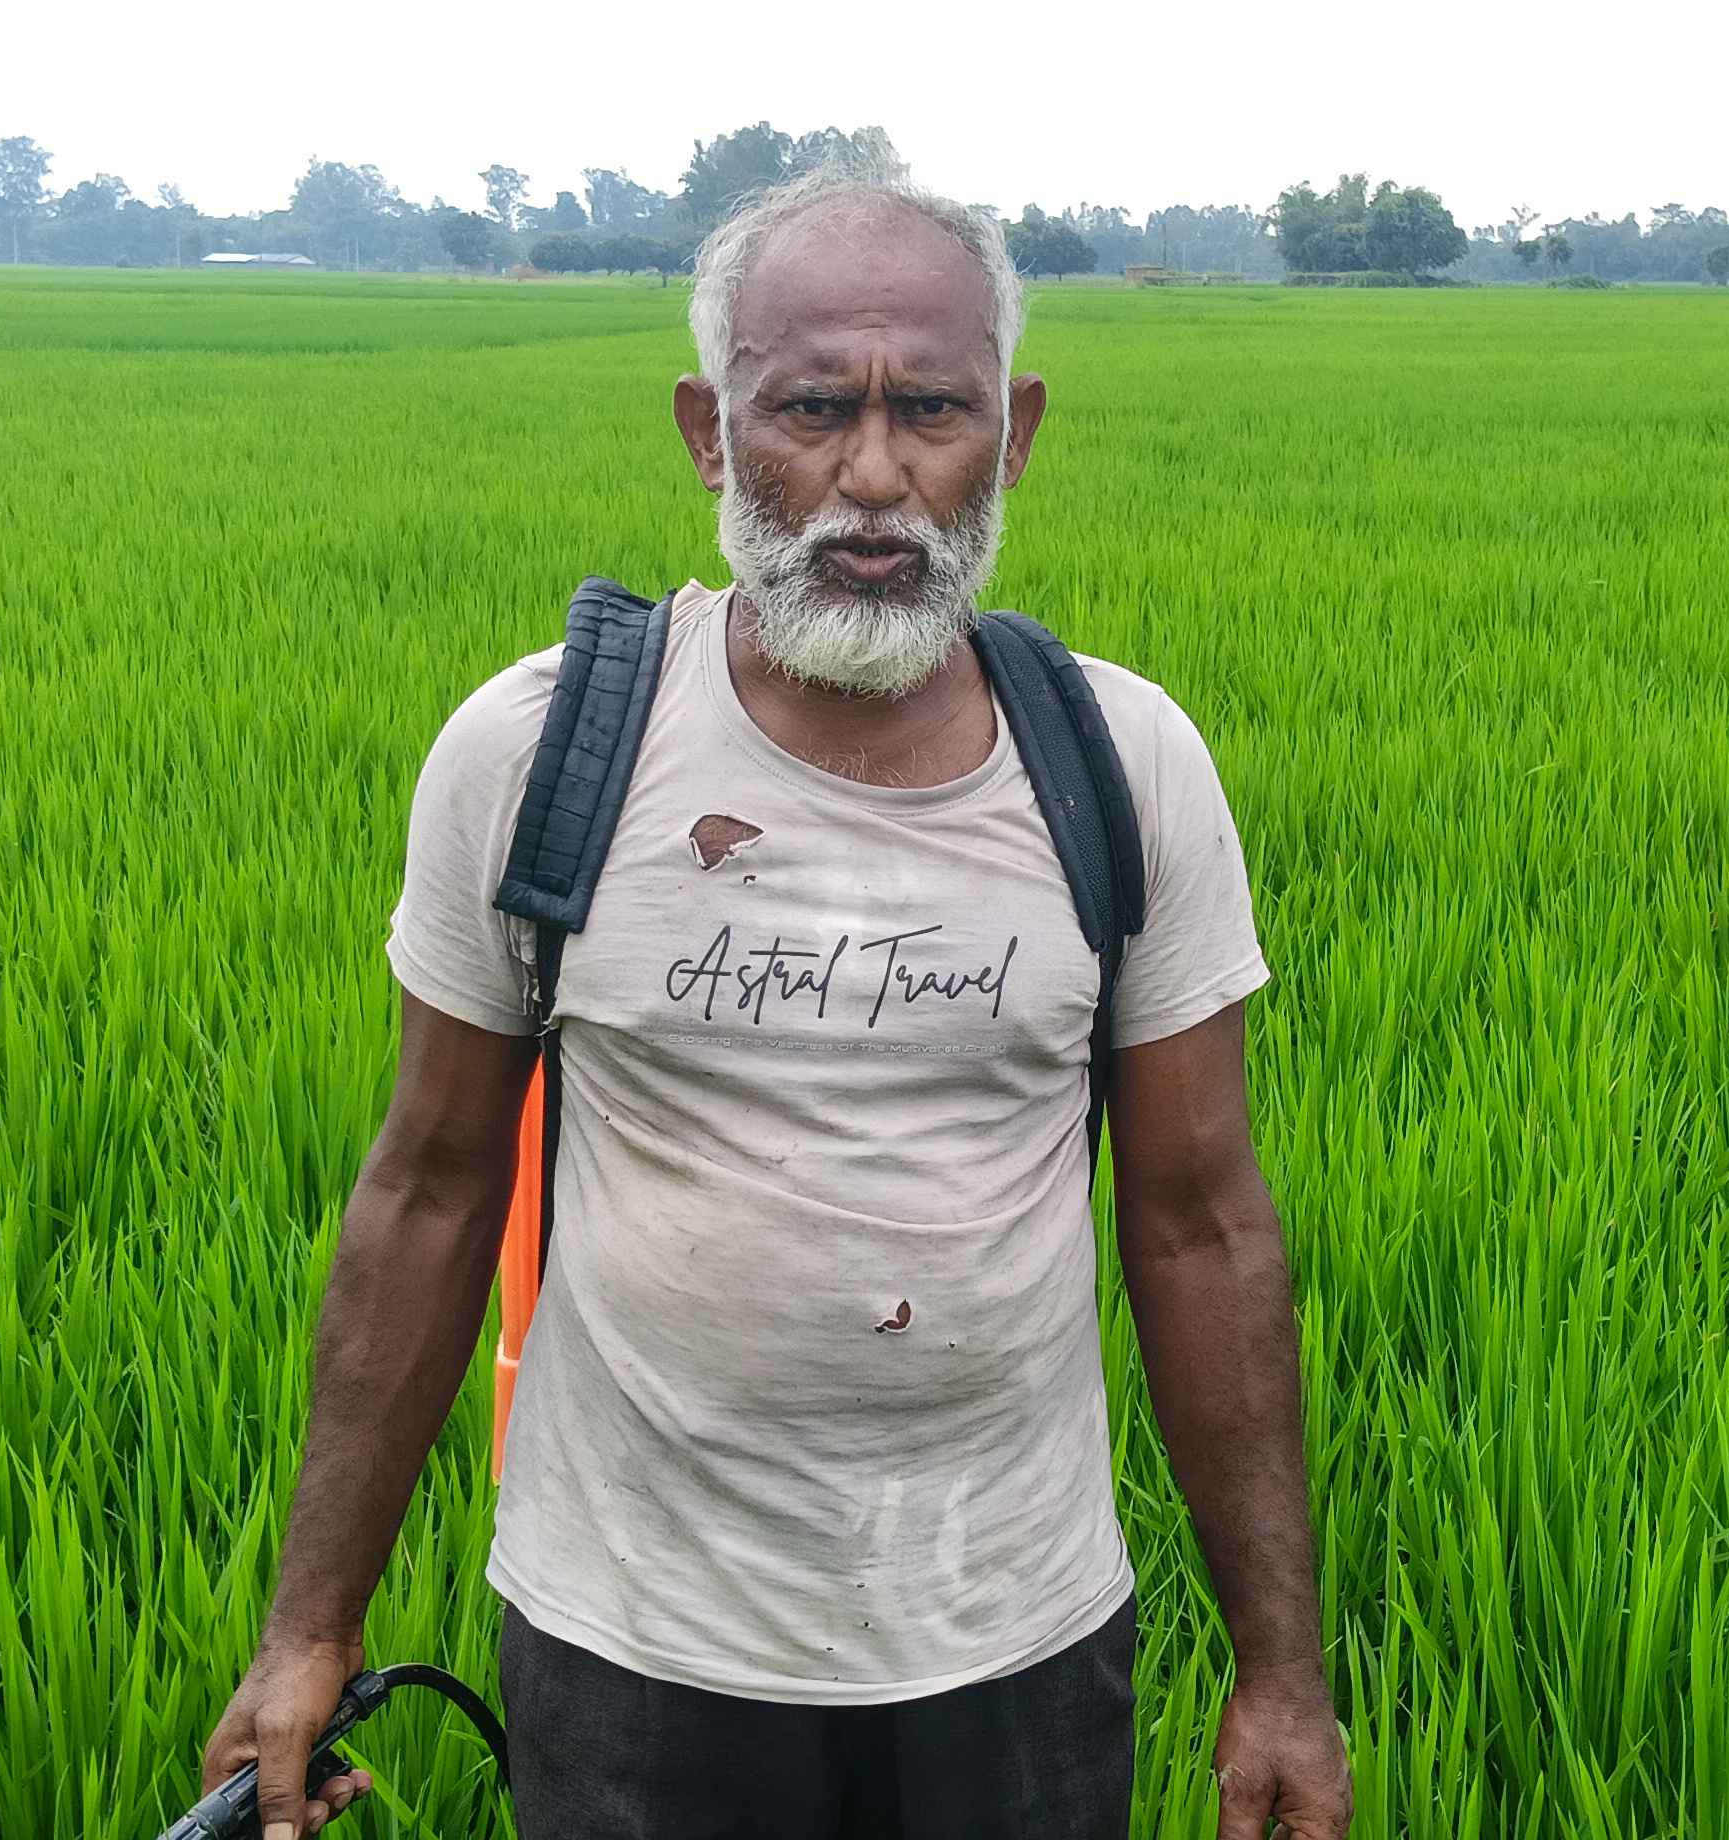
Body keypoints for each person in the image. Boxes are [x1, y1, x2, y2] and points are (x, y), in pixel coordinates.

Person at [198, 167, 1349, 1839]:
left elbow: (1201, 1222)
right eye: (812, 410)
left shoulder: (1124, 762)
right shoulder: (539, 754)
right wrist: (310, 1627)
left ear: (1015, 433)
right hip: (631, 1648)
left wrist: (1283, 1672)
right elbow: (431, 1186)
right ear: (708, 432)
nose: (874, 478)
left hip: (1014, 1639)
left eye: (931, 410)